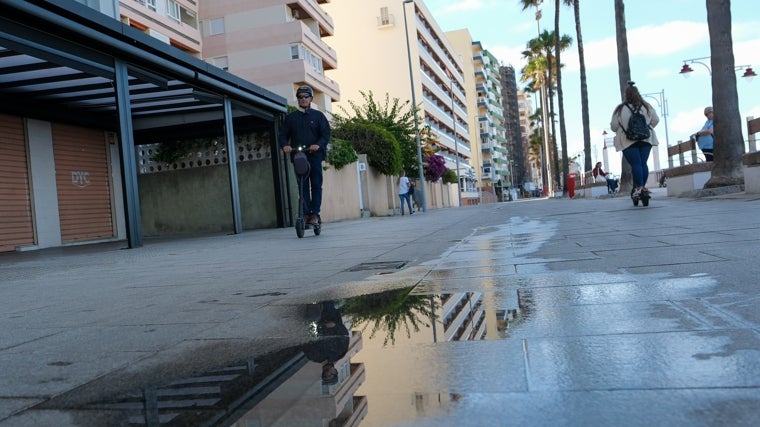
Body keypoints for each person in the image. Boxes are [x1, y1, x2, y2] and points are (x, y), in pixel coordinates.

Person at [279, 85, 331, 225]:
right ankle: (306, 215)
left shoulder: (318, 116)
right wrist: (285, 145)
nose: (303, 99)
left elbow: (326, 134)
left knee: (315, 185)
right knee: (302, 186)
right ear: (298, 99)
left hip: (315, 156)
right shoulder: (291, 118)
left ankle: (315, 214)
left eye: (306, 96)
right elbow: (283, 135)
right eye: (300, 97)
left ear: (311, 98)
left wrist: (318, 144)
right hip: (299, 157)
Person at [610, 81, 659, 200]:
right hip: (646, 139)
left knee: (636, 164)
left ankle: (639, 188)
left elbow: (614, 126)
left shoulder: (620, 109)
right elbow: (656, 120)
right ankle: (643, 188)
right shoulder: (646, 106)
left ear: (626, 95)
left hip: (628, 140)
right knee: (643, 163)